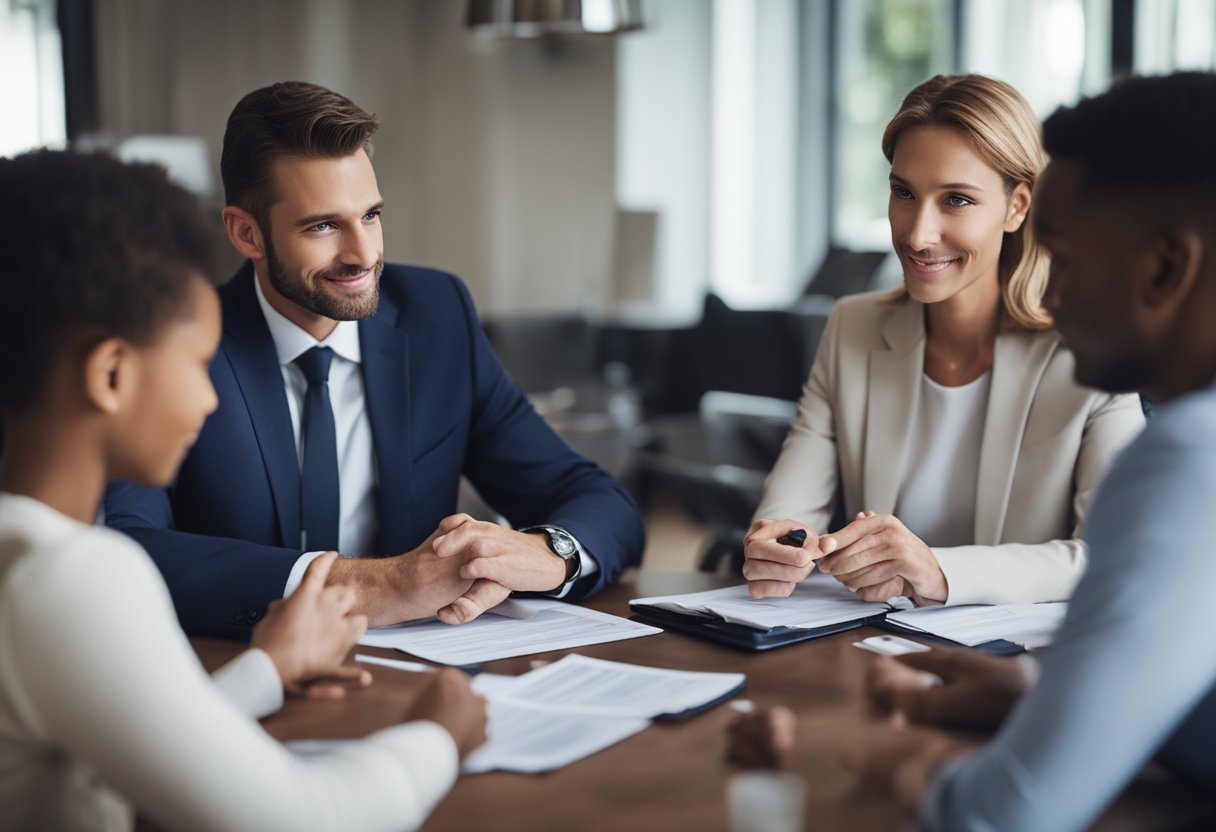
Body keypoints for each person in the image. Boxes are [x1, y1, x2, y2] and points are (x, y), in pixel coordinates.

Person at [0, 149, 486, 831]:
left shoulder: (21, 557)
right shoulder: (74, 578)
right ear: (110, 374)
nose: (207, 399)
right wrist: (442, 731)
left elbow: (128, 745)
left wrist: (264, 668)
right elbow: (307, 820)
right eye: (197, 363)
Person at [103, 81, 645, 637]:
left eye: (370, 215)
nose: (363, 255)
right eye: (322, 225)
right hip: (239, 672)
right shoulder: (174, 345)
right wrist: (382, 586)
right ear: (247, 233)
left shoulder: (437, 316)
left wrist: (545, 552)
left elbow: (603, 504)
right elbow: (126, 548)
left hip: (420, 673)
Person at [838, 71, 1216, 830]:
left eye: (1067, 260)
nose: (1048, 295)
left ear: (1165, 268)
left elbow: (1005, 816)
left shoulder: (1187, 459)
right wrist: (1046, 697)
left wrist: (908, 777)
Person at [745, 74, 1144, 607]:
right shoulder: (853, 328)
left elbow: (1114, 554)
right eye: (903, 193)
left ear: (1017, 206)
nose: (917, 234)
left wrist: (938, 571)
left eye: (956, 200)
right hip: (874, 654)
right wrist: (776, 549)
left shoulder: (1093, 350)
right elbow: (786, 517)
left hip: (1016, 669)